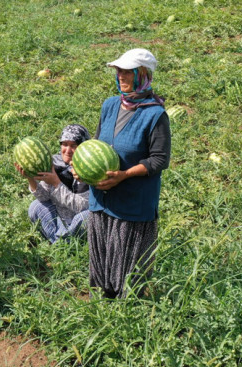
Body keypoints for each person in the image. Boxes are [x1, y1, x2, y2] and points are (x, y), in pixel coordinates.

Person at [87, 48, 171, 298]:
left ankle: (128, 315)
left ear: (142, 74)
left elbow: (159, 159)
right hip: (101, 201)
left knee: (127, 274)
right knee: (103, 265)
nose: (121, 75)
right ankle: (103, 309)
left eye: (127, 71)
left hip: (132, 205)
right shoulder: (110, 105)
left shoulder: (155, 114)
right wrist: (82, 169)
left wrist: (124, 175)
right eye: (119, 70)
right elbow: (97, 143)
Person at [15, 124, 91, 243]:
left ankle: (59, 242)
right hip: (59, 219)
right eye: (64, 144)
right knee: (36, 206)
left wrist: (56, 183)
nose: (68, 150)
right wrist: (30, 179)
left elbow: (81, 207)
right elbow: (44, 197)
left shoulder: (89, 169)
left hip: (77, 222)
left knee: (88, 217)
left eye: (73, 146)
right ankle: (62, 241)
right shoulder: (54, 163)